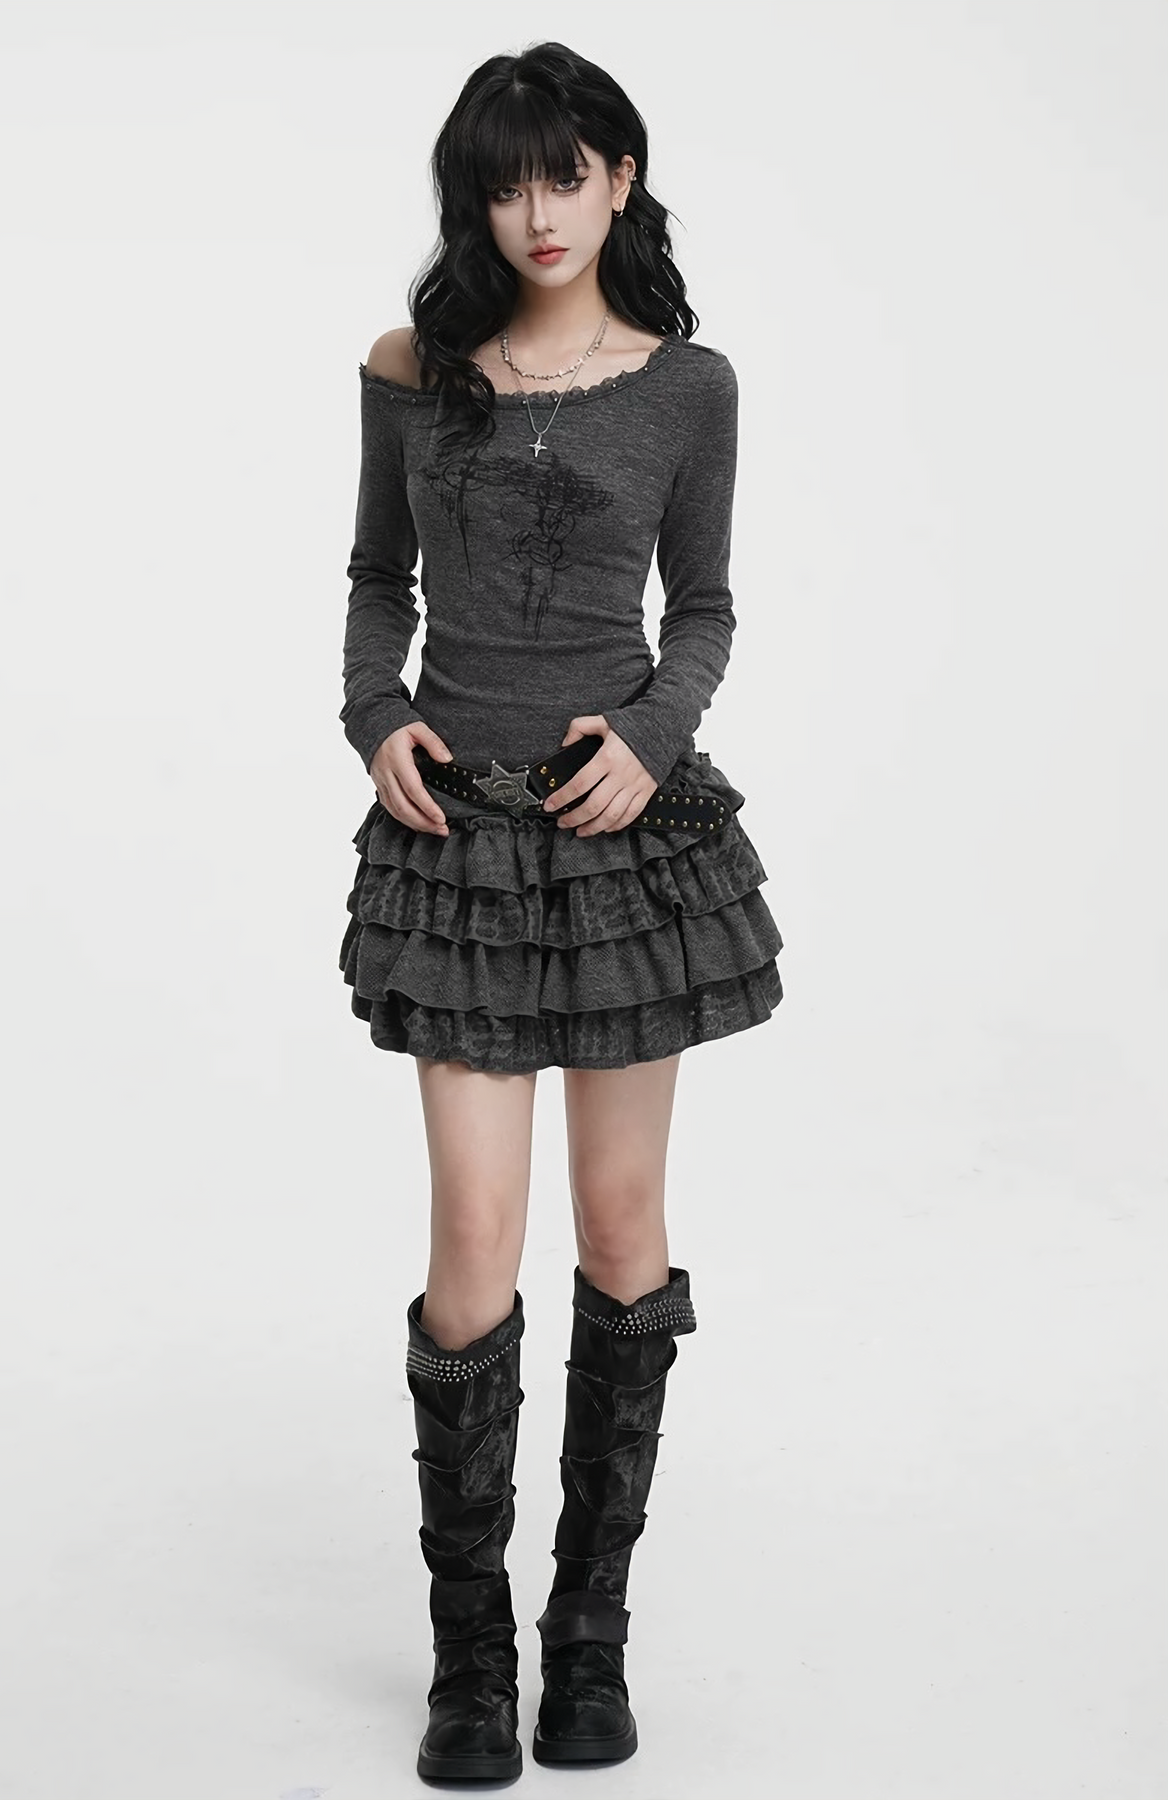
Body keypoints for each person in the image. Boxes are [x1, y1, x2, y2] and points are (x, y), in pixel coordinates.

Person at [337, 40, 785, 1783]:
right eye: (504, 181)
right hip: (456, 842)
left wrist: (654, 738)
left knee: (617, 1227)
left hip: (620, 844)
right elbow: (376, 581)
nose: (536, 211)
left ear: (618, 180)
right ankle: (471, 1664)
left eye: (566, 174)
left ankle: (585, 1643)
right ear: (476, 197)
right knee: (471, 1237)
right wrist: (377, 716)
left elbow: (707, 606)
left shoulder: (689, 387)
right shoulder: (411, 369)